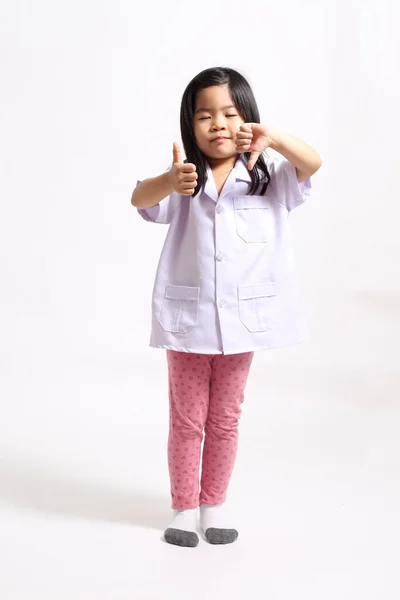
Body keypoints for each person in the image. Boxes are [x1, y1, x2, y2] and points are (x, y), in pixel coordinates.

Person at [130, 66, 322, 548]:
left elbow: (313, 163)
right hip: (189, 322)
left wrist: (272, 138)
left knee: (225, 418)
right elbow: (139, 198)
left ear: (248, 119)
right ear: (189, 126)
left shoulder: (269, 179)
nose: (217, 123)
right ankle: (183, 507)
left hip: (243, 323)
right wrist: (168, 179)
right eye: (204, 116)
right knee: (187, 420)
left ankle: (213, 503)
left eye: (230, 113)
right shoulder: (185, 181)